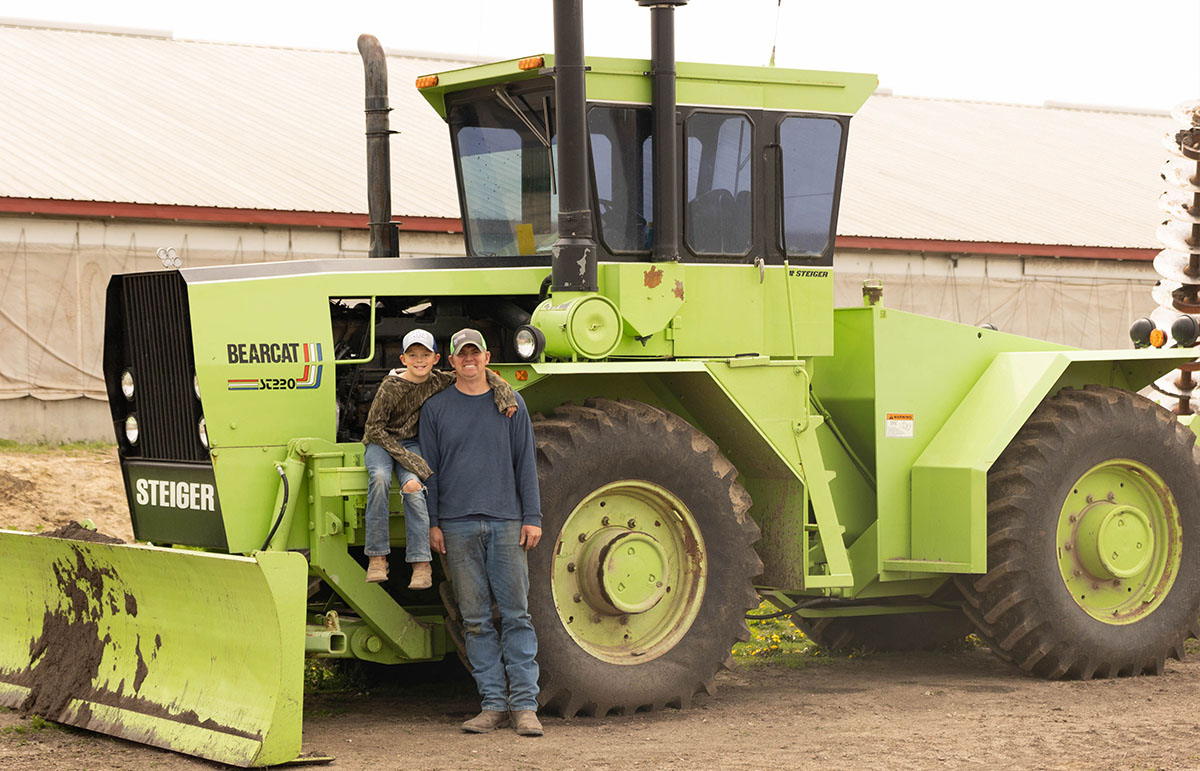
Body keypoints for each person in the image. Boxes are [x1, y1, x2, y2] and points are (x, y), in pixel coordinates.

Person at [420, 328, 543, 737]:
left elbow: (525, 461)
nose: (469, 360)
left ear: (487, 357)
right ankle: (492, 705)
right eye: (461, 354)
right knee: (475, 620)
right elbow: (428, 471)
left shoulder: (510, 403)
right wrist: (433, 523)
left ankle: (525, 707)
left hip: (507, 522)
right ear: (451, 362)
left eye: (475, 353)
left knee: (516, 616)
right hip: (456, 526)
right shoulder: (436, 409)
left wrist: (533, 516)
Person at [361, 329, 516, 589]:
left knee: (414, 488)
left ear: (436, 359)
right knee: (379, 479)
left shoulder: (437, 381)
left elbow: (476, 372)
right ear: (403, 359)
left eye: (425, 354)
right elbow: (373, 429)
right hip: (380, 442)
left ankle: (421, 563)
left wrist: (505, 392)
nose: (419, 360)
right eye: (413, 355)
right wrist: (409, 460)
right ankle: (377, 557)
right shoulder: (391, 387)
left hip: (410, 445)